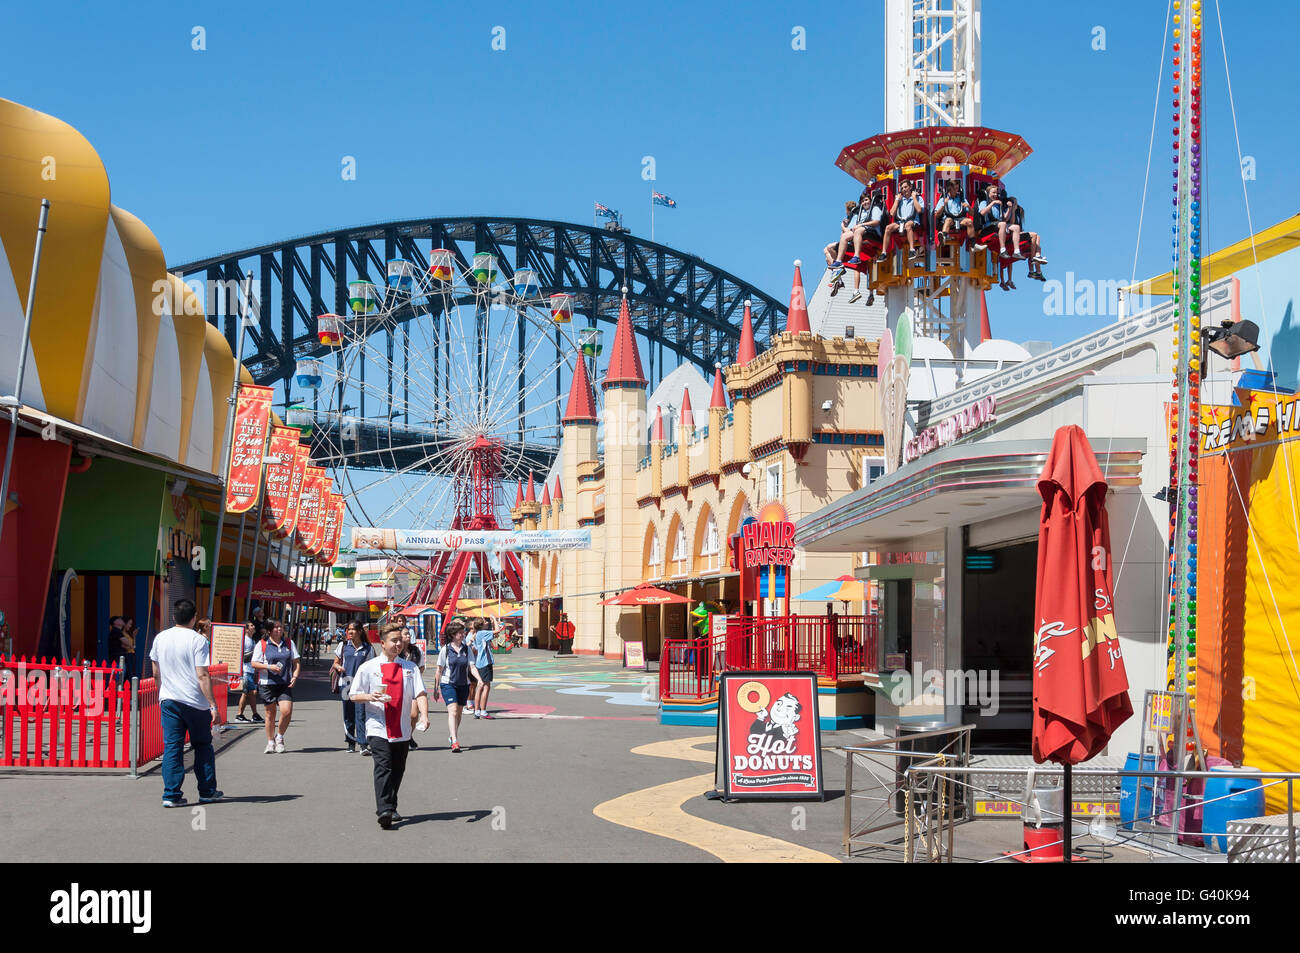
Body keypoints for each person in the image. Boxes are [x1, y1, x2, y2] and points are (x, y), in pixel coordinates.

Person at [348, 621, 430, 829]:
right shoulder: (368, 668)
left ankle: (391, 806)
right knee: (383, 766)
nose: (398, 644)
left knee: (398, 769)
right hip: (377, 725)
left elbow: (420, 693)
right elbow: (353, 695)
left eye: (400, 641)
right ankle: (384, 809)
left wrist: (424, 716)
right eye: (393, 641)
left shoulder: (410, 668)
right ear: (382, 643)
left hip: (402, 727)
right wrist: (370, 695)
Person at [148, 598, 222, 808]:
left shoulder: (160, 638)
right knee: (202, 745)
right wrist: (213, 705)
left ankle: (171, 794)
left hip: (169, 699)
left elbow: (155, 672)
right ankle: (207, 791)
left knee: (173, 747)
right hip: (195, 702)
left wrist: (161, 694)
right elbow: (203, 675)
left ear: (174, 616)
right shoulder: (198, 640)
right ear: (194, 617)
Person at [251, 619, 300, 754]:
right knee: (270, 714)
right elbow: (254, 663)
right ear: (269, 630)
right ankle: (270, 742)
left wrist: (295, 676)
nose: (279, 629)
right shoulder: (262, 644)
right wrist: (268, 666)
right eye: (276, 627)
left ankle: (279, 737)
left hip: (285, 682)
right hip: (268, 683)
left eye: (281, 627)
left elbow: (296, 662)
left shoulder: (289, 643)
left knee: (286, 711)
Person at [332, 621, 374, 753]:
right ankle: (350, 742)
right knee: (348, 715)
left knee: (361, 714)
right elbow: (335, 662)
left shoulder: (368, 648)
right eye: (348, 629)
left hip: (361, 686)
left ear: (360, 631)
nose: (350, 632)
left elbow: (371, 667)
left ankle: (363, 744)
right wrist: (339, 667)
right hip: (346, 684)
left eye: (353, 630)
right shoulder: (343, 646)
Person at [434, 621, 475, 752]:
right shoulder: (445, 650)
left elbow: (472, 667)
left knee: (459, 713)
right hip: (448, 684)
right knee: (453, 711)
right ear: (453, 634)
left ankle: (452, 735)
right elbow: (439, 670)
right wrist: (436, 689)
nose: (463, 634)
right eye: (460, 633)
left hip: (463, 684)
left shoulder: (466, 649)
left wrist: (479, 680)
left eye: (464, 632)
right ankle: (455, 741)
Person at [398, 626, 426, 746]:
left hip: (412, 686)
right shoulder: (396, 651)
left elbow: (421, 666)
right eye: (405, 634)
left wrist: (416, 676)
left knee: (413, 715)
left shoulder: (415, 650)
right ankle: (403, 736)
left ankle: (408, 735)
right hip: (399, 686)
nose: (408, 636)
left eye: (409, 634)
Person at [883, 180, 924, 258]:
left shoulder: (918, 198)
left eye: (905, 187)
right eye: (902, 188)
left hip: (912, 221)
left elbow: (919, 210)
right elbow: (892, 213)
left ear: (910, 187)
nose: (904, 189)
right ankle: (884, 252)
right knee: (888, 228)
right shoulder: (900, 200)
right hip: (900, 222)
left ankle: (912, 250)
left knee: (908, 225)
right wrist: (897, 200)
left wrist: (914, 197)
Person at [233, 621, 261, 723]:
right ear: (246, 629)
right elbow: (241, 656)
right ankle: (241, 715)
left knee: (251, 693)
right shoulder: (244, 640)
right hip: (245, 670)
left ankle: (252, 714)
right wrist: (254, 653)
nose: (254, 626)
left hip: (250, 669)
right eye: (251, 625)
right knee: (248, 692)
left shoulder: (252, 640)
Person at [469, 619, 495, 719]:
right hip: (485, 662)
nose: (487, 622)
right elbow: (497, 631)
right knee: (486, 686)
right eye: (485, 622)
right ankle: (483, 711)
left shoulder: (478, 634)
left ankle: (477, 711)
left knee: (480, 686)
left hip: (480, 662)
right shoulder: (482, 633)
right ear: (481, 625)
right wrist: (495, 620)